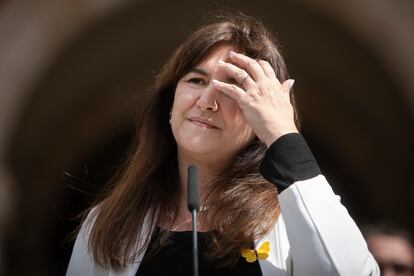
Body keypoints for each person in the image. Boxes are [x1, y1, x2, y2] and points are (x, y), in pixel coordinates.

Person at [66, 13, 380, 276]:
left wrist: (283, 134)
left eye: (232, 88)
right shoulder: (108, 223)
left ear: (263, 116)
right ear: (169, 103)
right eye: (196, 81)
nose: (206, 102)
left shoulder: (289, 217)